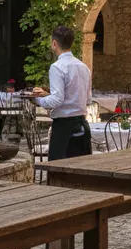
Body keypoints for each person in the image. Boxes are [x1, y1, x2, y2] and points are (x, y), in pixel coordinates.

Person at [32, 26, 92, 160]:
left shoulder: (57, 67)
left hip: (64, 129)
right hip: (83, 126)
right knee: (82, 172)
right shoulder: (84, 67)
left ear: (54, 43)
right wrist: (48, 94)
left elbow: (56, 100)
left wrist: (36, 99)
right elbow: (87, 100)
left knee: (58, 172)